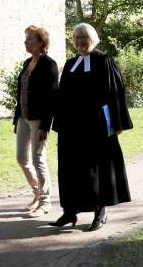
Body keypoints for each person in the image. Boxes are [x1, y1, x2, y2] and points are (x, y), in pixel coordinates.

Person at [50, 23, 132, 231]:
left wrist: (116, 124)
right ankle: (70, 212)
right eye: (76, 38)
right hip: (72, 128)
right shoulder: (70, 64)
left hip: (96, 127)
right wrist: (58, 123)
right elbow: (62, 97)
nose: (79, 42)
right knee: (70, 169)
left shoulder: (105, 61)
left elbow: (115, 93)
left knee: (97, 170)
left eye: (83, 37)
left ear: (93, 39)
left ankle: (100, 212)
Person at [13, 26, 59, 218]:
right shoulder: (27, 62)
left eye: (30, 39)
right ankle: (36, 192)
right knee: (22, 158)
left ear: (41, 42)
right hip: (23, 117)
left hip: (39, 119)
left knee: (38, 159)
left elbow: (52, 98)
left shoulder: (50, 64)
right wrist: (16, 119)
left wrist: (45, 126)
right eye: (26, 39)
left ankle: (45, 202)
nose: (26, 42)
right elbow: (21, 92)